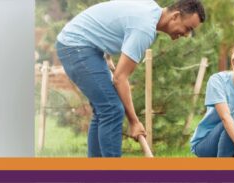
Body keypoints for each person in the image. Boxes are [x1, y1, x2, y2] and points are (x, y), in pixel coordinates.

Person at [55, 0, 206, 157]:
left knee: (104, 110)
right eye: (188, 28)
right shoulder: (145, 28)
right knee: (112, 110)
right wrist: (134, 122)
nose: (187, 34)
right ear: (175, 16)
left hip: (83, 45)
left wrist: (106, 55)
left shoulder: (151, 8)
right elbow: (120, 79)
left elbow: (115, 17)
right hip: (76, 46)